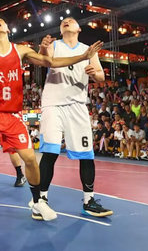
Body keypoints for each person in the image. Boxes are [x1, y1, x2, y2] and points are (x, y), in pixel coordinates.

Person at [0, 16, 102, 223]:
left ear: (8, 29)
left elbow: (50, 62)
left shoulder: (20, 50)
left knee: (30, 159)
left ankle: (37, 202)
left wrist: (83, 57)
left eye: (1, 21)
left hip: (11, 115)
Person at [37, 18, 112, 218]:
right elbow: (45, 60)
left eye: (71, 21)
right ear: (61, 30)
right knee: (50, 151)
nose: (66, 21)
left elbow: (101, 76)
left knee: (86, 154)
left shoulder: (89, 50)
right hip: (53, 104)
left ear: (79, 29)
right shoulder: (54, 45)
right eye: (64, 21)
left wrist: (94, 73)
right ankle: (41, 200)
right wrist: (43, 48)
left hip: (77, 105)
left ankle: (89, 201)